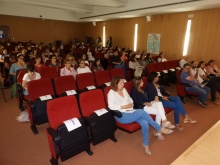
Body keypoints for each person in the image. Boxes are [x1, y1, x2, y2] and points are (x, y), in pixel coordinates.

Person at [108, 76, 173, 155]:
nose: (123, 85)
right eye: (121, 83)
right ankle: (159, 128)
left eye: (123, 83)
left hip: (130, 111)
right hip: (121, 115)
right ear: (115, 84)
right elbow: (111, 106)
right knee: (141, 112)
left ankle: (145, 145)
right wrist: (124, 107)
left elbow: (130, 100)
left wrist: (130, 104)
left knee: (145, 123)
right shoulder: (111, 92)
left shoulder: (124, 90)